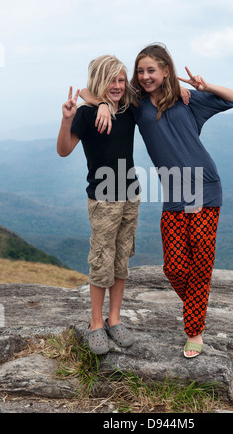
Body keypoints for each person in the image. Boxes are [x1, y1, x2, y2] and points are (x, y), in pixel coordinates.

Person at [81, 43, 233, 358]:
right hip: (173, 193)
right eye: (140, 71)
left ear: (166, 70)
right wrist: (100, 103)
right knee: (175, 268)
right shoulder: (137, 103)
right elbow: (93, 90)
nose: (144, 76)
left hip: (202, 186)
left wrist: (203, 86)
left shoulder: (189, 101)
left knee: (200, 264)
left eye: (151, 70)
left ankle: (195, 331)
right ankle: (196, 305)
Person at [57, 55, 141, 355]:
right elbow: (64, 150)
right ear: (99, 81)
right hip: (103, 198)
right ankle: (95, 323)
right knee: (101, 261)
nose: (117, 86)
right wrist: (68, 119)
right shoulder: (85, 114)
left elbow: (151, 90)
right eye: (111, 80)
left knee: (121, 260)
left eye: (121, 79)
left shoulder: (129, 106)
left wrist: (105, 101)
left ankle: (114, 319)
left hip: (131, 194)